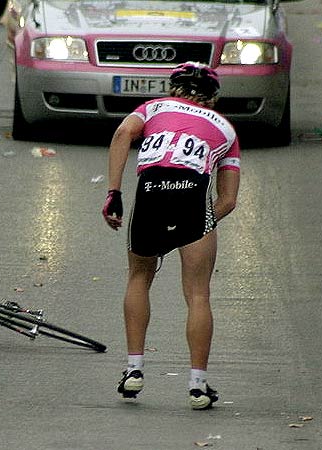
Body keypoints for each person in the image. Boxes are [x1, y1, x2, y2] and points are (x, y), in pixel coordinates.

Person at [102, 61, 240, 410]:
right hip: (192, 198)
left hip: (151, 194)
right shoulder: (226, 129)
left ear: (173, 87)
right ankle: (197, 386)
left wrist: (114, 193)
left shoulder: (152, 108)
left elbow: (122, 135)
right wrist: (203, 220)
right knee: (198, 295)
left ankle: (134, 370)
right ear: (213, 96)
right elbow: (228, 199)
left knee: (138, 277)